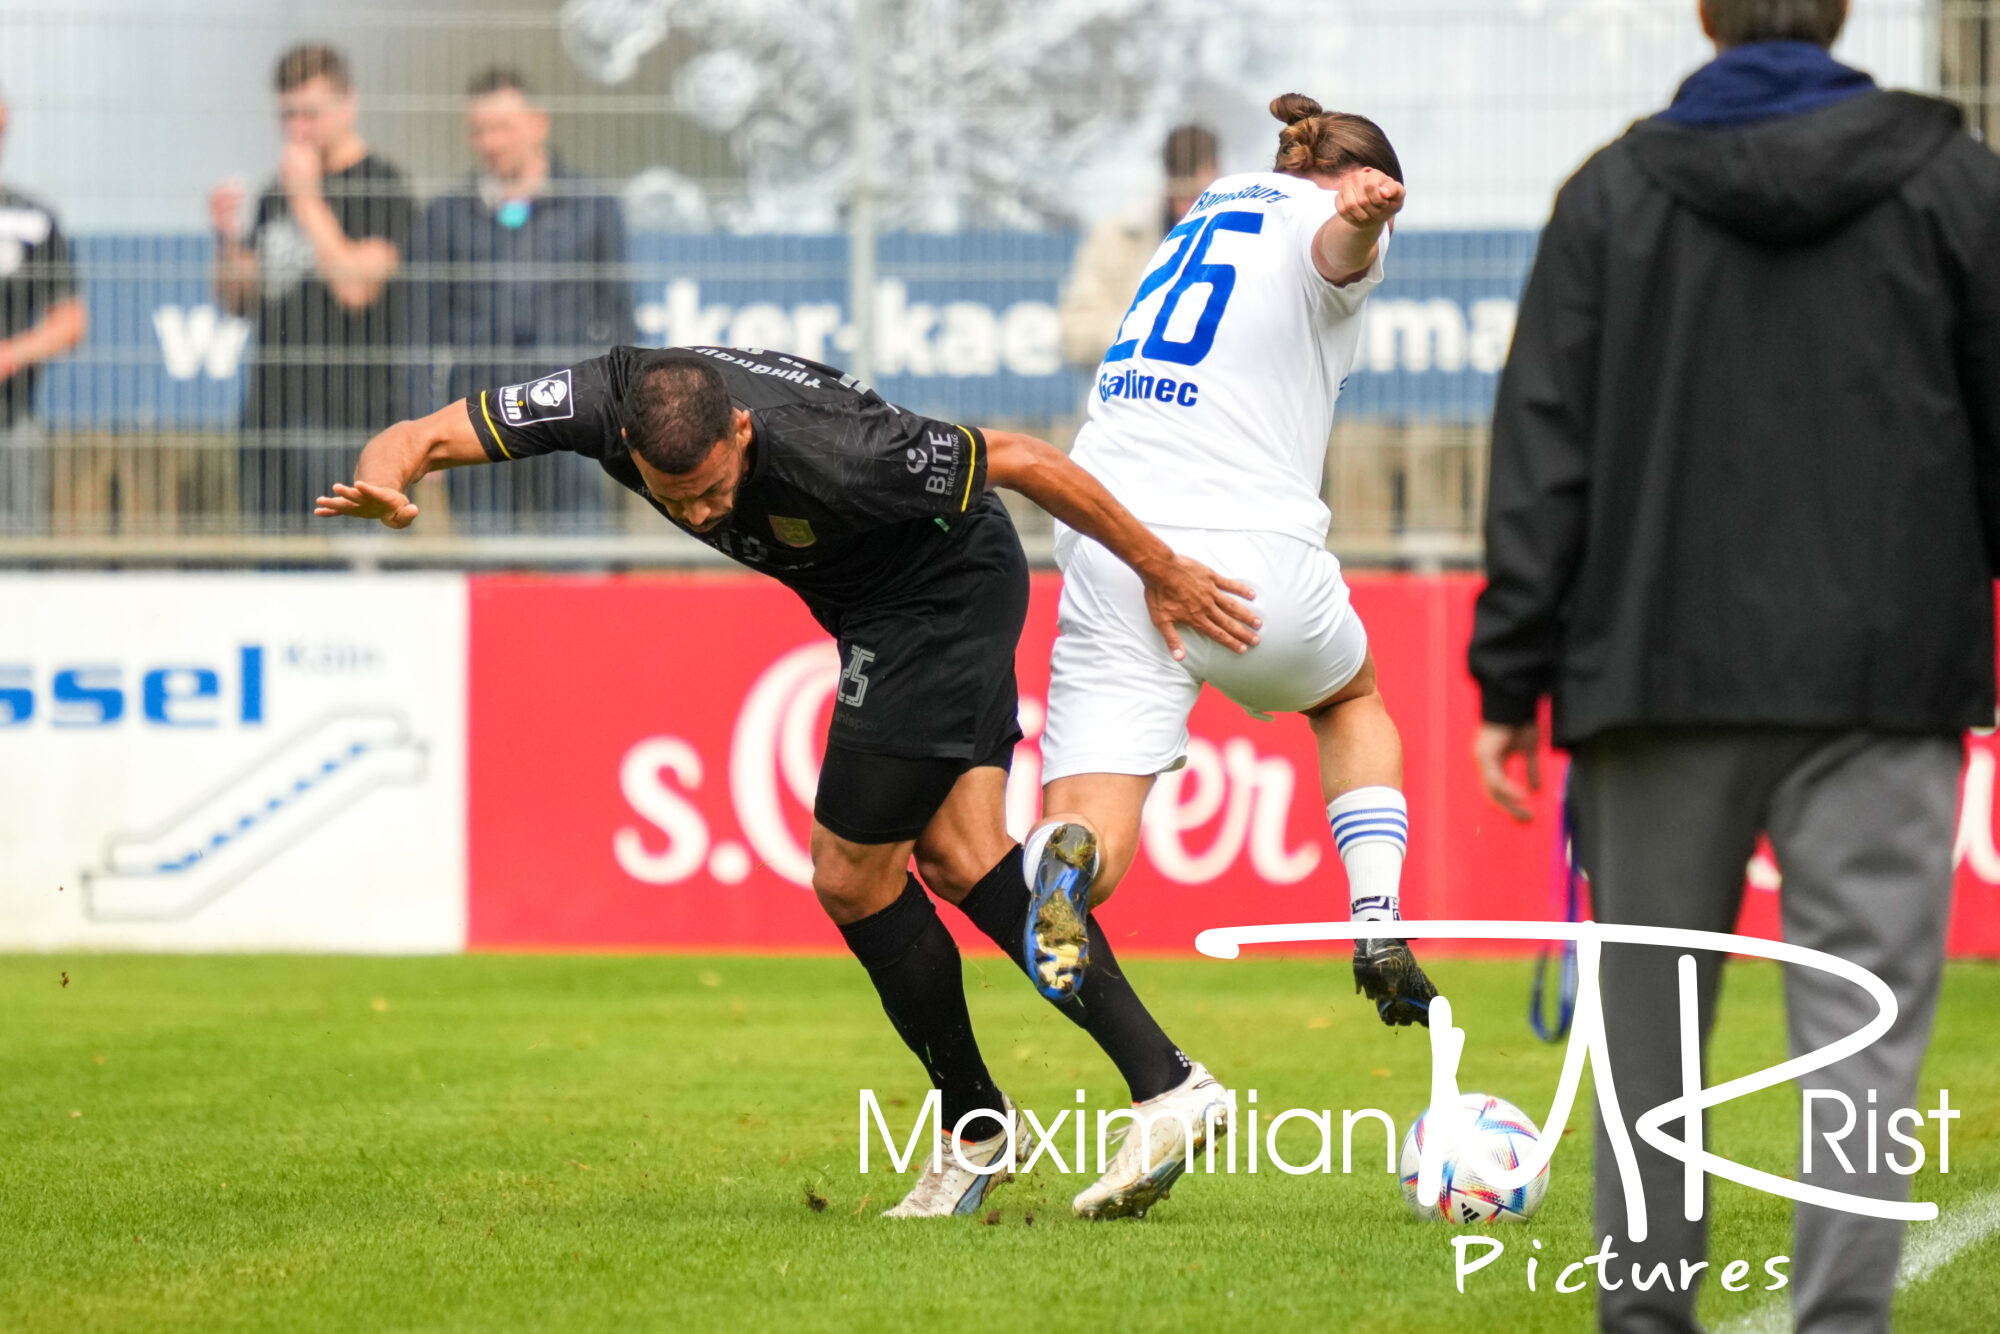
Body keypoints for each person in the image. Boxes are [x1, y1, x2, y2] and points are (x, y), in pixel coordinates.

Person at [314, 344, 1258, 1220]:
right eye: (670, 498)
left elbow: (1021, 460)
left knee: (851, 876)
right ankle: (1156, 1086)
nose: (696, 515)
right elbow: (423, 436)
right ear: (626, 440)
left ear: (740, 434)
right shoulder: (605, 397)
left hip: (938, 595)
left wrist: (1160, 569)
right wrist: (388, 483)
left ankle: (995, 1119)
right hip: (877, 606)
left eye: (710, 490)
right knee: (965, 857)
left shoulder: (843, 454)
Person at [1468, 2, 2000, 1330]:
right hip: (1885, 673)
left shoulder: (1609, 194)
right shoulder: (1958, 182)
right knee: (1864, 1046)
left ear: (1705, 16)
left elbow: (1544, 451)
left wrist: (1507, 676)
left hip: (1653, 674)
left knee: (1651, 1058)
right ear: (1842, 12)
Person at [1023, 95, 1439, 1155]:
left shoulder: (1200, 216)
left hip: (1110, 543)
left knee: (1089, 826)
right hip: (1244, 565)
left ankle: (1066, 860)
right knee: (1348, 697)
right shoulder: (1323, 220)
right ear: (1352, 179)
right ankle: (1376, 913)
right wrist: (1360, 216)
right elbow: (1334, 249)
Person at [412, 67, 632, 531]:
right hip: (479, 418)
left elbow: (619, 318)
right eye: (479, 130)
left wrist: (631, 413)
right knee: (488, 570)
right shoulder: (446, 216)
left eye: (503, 127)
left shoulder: (593, 207)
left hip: (574, 414)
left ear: (539, 123)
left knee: (580, 567)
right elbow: (419, 330)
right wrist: (420, 430)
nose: (491, 141)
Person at [210, 43, 413, 530]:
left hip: (347, 420)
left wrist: (306, 198)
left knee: (349, 576)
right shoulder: (273, 193)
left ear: (349, 104)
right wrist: (226, 239)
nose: (297, 129)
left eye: (310, 114)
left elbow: (357, 288)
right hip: (270, 414)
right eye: (287, 115)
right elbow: (239, 300)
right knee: (275, 572)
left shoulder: (382, 186)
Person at [1058, 123, 1220, 370]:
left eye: (1200, 195)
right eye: (1182, 196)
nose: (1190, 208)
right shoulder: (1116, 238)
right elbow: (1076, 335)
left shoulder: (1250, 240)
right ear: (1168, 183)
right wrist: (1155, 329)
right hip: (1132, 392)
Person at [0, 85, 87, 534]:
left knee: (14, 569)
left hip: (10, 422)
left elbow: (70, 321)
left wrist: (10, 354)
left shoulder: (30, 219)